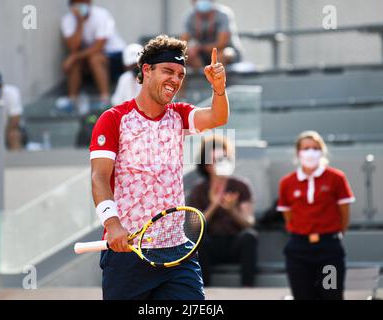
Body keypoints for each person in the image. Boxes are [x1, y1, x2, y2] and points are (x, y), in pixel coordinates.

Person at [89, 35, 229, 300]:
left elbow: (217, 116)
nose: (175, 80)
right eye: (168, 71)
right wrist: (113, 224)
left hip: (177, 252)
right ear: (146, 70)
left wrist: (219, 89)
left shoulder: (179, 114)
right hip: (127, 253)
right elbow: (99, 177)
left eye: (180, 74)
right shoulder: (114, 119)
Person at [277, 131, 356, 300]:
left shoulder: (336, 178)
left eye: (315, 148)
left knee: (331, 294)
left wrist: (333, 233)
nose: (310, 152)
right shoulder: (287, 182)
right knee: (303, 295)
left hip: (329, 250)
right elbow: (288, 215)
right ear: (298, 152)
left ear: (322, 151)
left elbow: (344, 213)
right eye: (306, 148)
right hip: (298, 250)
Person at [188, 135, 257, 287]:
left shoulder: (241, 186)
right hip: (211, 243)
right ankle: (203, 291)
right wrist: (213, 205)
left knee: (249, 237)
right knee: (201, 243)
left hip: (235, 242)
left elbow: (249, 223)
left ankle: (248, 289)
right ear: (207, 165)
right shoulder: (198, 190)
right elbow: (193, 228)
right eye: (216, 159)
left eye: (224, 158)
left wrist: (233, 211)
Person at [61, 0, 126, 107]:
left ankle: (105, 99)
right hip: (89, 57)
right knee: (76, 63)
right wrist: (80, 23)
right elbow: (73, 47)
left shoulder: (102, 15)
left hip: (115, 55)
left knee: (94, 58)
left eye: (84, 3)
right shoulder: (67, 20)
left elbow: (98, 46)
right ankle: (72, 100)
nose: (81, 6)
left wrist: (74, 57)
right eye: (77, 4)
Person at [180, 0, 244, 69]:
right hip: (203, 54)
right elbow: (183, 43)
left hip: (226, 51)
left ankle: (220, 78)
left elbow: (222, 43)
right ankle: (204, 77)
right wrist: (189, 51)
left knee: (220, 56)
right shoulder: (190, 17)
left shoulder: (223, 14)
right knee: (185, 56)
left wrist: (199, 48)